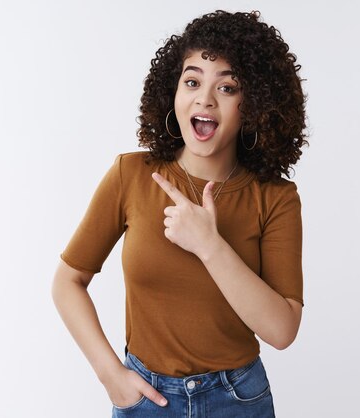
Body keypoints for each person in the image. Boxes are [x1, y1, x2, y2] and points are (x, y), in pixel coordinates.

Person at [51, 10, 307, 418]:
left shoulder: (275, 198)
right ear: (173, 92)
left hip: (238, 399)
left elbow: (282, 330)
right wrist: (109, 374)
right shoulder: (131, 175)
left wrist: (210, 245)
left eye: (227, 87)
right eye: (192, 81)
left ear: (253, 105)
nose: (205, 98)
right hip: (145, 397)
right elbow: (68, 280)